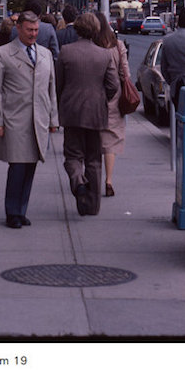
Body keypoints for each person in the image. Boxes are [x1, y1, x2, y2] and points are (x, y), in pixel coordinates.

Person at [0, 10, 59, 228]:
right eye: (29, 30)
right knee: (17, 167)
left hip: (39, 120)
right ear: (19, 29)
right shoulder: (4, 54)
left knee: (30, 167)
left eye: (36, 30)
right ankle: (12, 212)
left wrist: (54, 119)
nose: (33, 34)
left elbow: (51, 88)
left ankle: (22, 210)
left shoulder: (45, 54)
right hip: (14, 120)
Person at [55, 12, 119, 216]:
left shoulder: (65, 52)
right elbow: (113, 85)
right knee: (93, 158)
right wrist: (101, 99)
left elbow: (58, 83)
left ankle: (78, 181)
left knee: (72, 155)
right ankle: (92, 206)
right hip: (96, 111)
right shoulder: (104, 54)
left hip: (71, 110)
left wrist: (62, 102)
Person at [94, 11, 130, 197]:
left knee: (92, 140)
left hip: (93, 97)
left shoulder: (92, 46)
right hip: (114, 98)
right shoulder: (118, 46)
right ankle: (108, 180)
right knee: (110, 142)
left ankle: (92, 178)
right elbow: (126, 75)